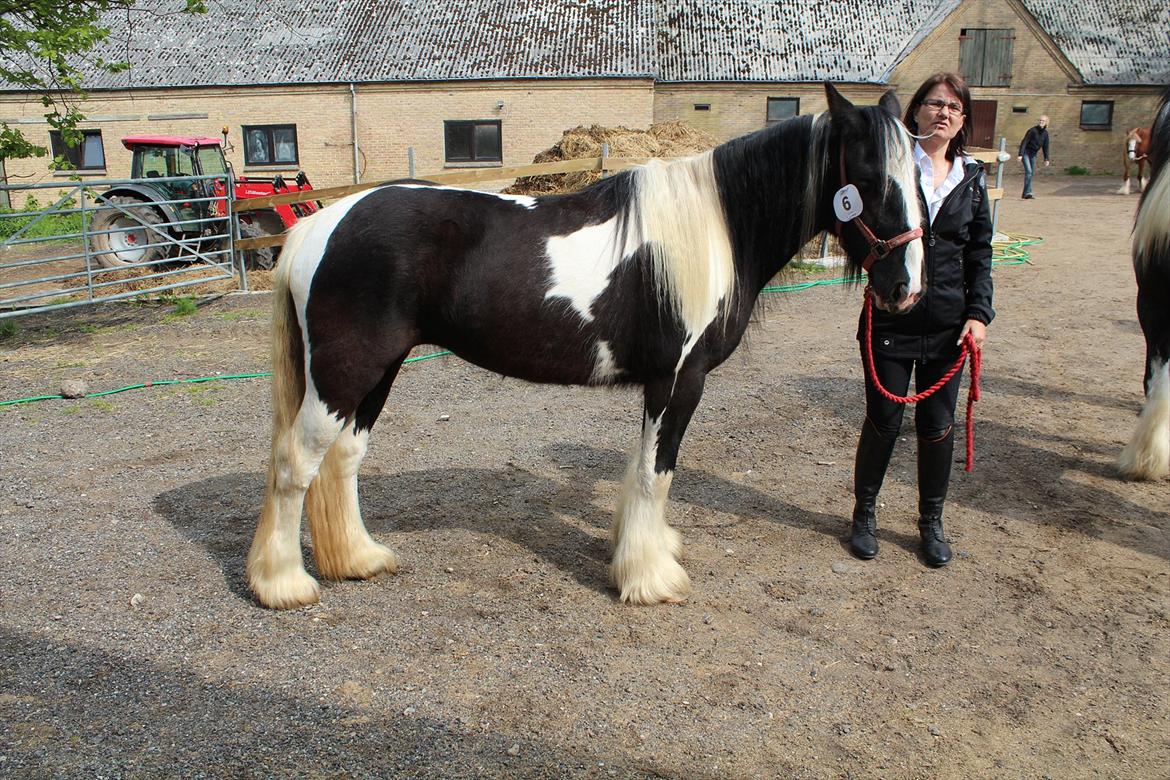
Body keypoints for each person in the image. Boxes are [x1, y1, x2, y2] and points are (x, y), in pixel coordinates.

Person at [848, 72, 994, 567]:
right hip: (891, 318)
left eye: (954, 108)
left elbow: (980, 254)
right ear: (914, 113)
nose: (943, 114)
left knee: (937, 426)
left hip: (949, 326)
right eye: (934, 104)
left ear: (962, 122)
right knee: (884, 420)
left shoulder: (972, 181)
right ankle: (864, 514)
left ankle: (931, 522)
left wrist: (979, 315)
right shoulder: (893, 169)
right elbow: (854, 223)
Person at [1017, 115, 1051, 199]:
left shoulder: (1045, 134)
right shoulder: (1032, 130)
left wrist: (1046, 158)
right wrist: (1020, 154)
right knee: (1028, 171)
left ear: (1046, 122)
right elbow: (1024, 142)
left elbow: (1045, 146)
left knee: (1031, 173)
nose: (1041, 122)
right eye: (1040, 120)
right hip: (1026, 153)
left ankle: (1026, 193)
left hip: (1033, 154)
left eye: (1043, 121)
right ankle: (1028, 193)